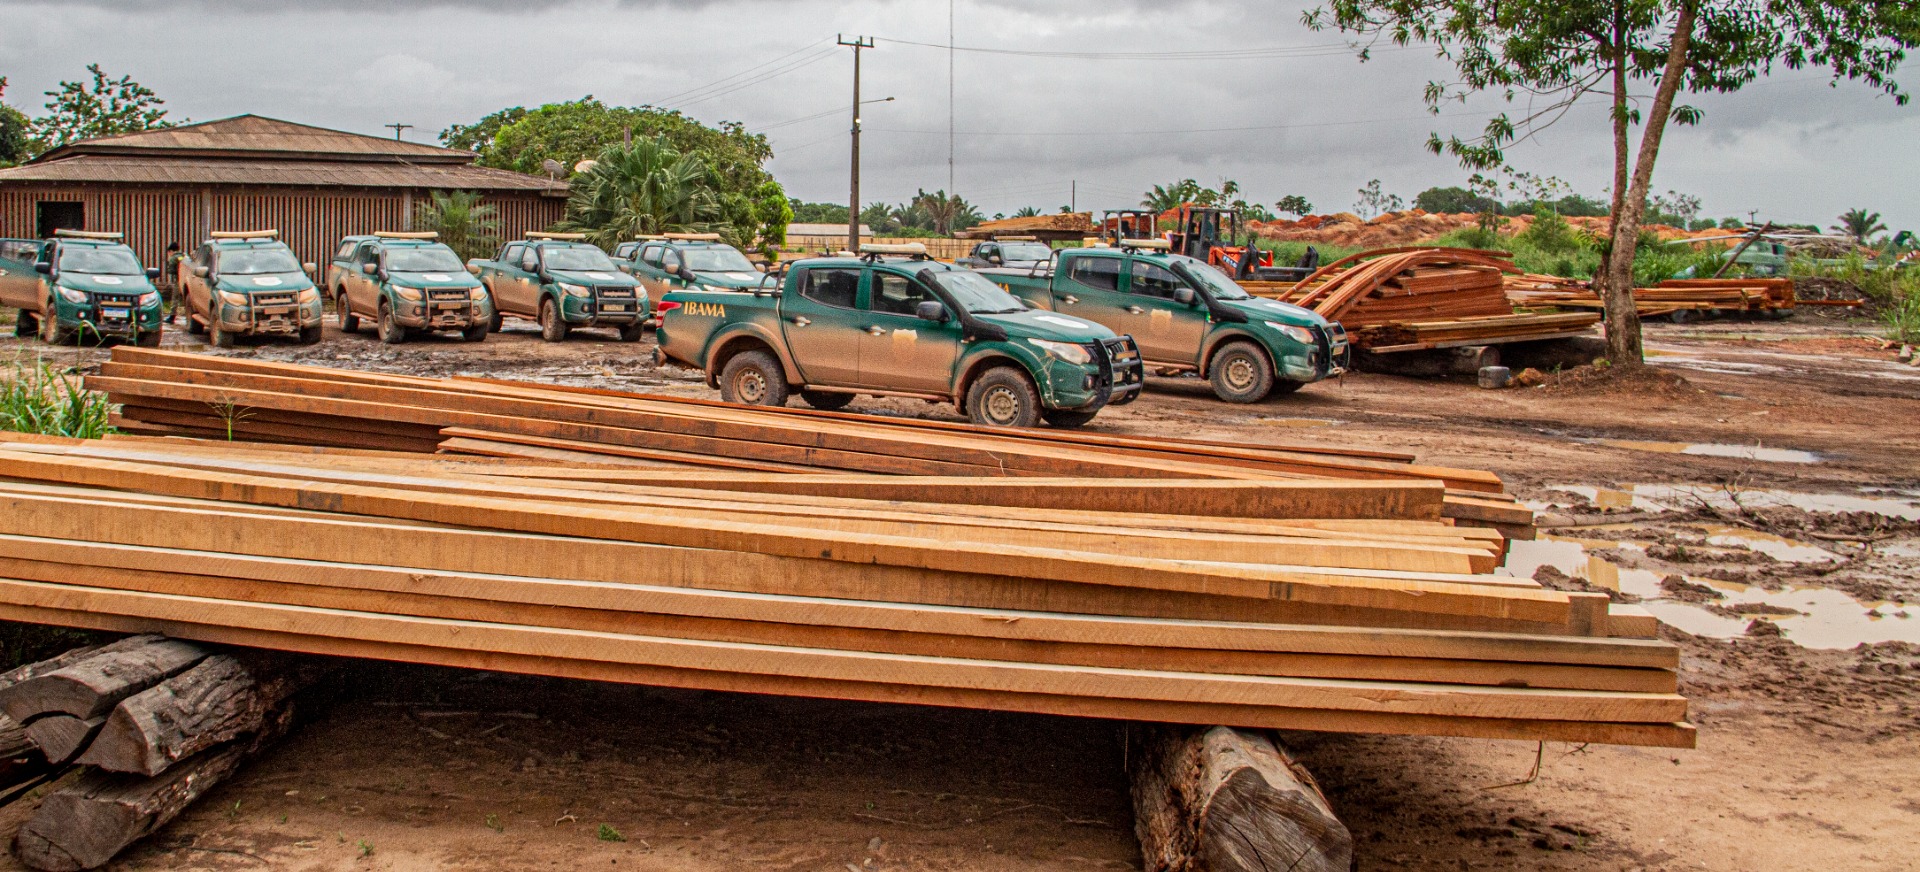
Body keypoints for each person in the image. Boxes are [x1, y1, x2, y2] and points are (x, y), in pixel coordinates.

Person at [161, 242, 184, 324]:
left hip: (178, 280)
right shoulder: (183, 256)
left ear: (171, 251)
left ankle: (172, 317)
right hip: (186, 281)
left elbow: (170, 271)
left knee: (175, 298)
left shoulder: (173, 258)